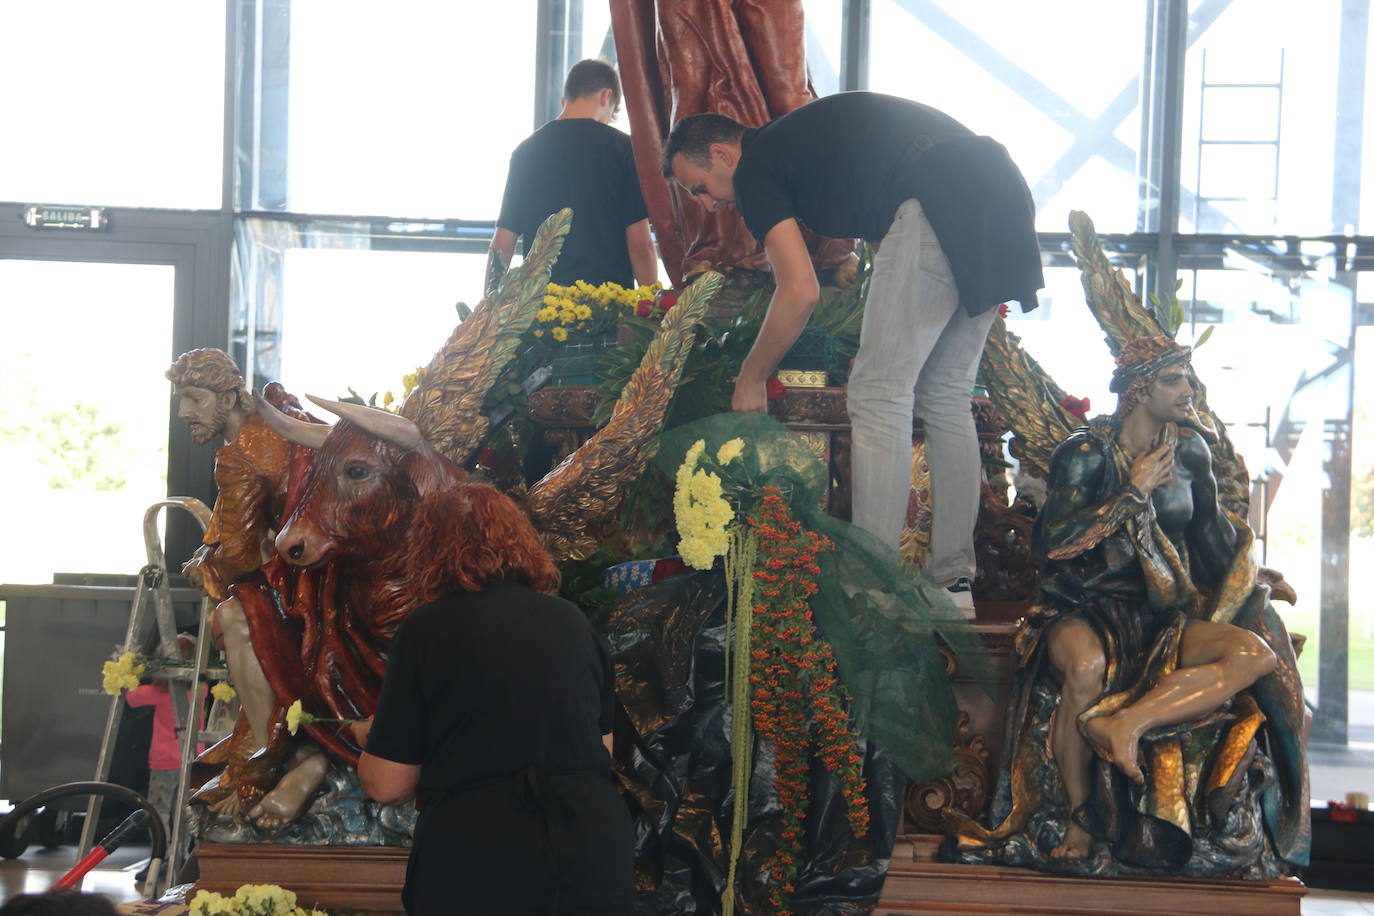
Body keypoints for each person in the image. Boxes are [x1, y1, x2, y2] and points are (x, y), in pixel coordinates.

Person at [662, 92, 1044, 605]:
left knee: (877, 394)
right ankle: (953, 582)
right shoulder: (806, 141)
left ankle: (873, 582)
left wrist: (751, 377)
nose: (708, 204)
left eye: (700, 187)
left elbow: (799, 290)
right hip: (1001, 199)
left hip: (938, 199)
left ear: (725, 155)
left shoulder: (758, 166)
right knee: (946, 395)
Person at [950, 335, 1308, 874]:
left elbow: (1210, 536)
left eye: (1188, 378)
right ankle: (1080, 818)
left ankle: (1127, 725)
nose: (1189, 390)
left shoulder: (1190, 451)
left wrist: (1250, 578)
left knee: (1255, 654)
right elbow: (1053, 544)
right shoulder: (1086, 454)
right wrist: (1131, 494)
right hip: (1081, 608)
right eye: (1174, 380)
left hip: (1162, 613)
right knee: (1087, 667)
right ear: (1139, 391)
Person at [353, 483, 634, 915]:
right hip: (590, 851)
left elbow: (389, 783)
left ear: (427, 551)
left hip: (480, 854)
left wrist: (368, 739)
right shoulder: (573, 622)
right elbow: (601, 750)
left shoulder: (427, 630)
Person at [492, 59, 657, 288]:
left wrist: (489, 310)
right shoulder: (623, 149)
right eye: (611, 114)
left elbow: (502, 242)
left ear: (566, 99)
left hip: (542, 304)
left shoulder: (526, 151)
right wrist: (652, 308)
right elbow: (640, 244)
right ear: (605, 96)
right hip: (608, 305)